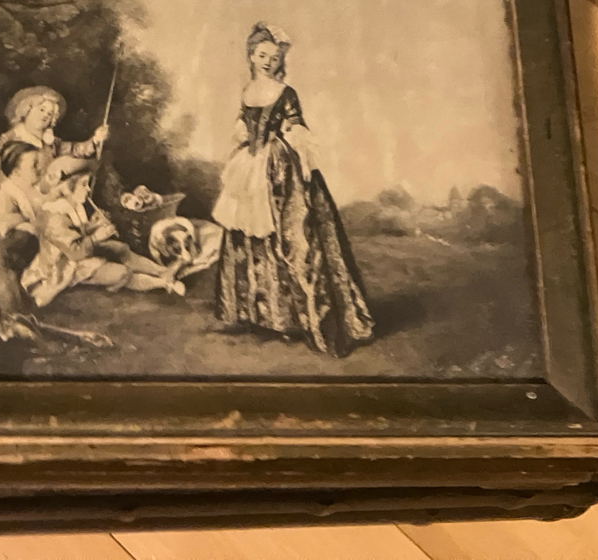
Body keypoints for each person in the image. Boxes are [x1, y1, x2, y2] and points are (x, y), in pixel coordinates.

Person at [211, 23, 374, 357]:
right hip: (250, 166)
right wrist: (242, 138)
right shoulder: (247, 91)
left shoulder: (285, 92)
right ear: (251, 56)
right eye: (262, 56)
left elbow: (296, 125)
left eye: (274, 58)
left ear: (280, 61)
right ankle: (259, 315)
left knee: (292, 240)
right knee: (250, 240)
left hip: (279, 169)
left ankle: (294, 320)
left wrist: (298, 152)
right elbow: (242, 124)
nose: (267, 62)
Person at [20, 157, 183, 307]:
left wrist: (94, 225)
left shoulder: (73, 206)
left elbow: (78, 232)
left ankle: (162, 272)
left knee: (121, 249)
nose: (87, 189)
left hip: (80, 254)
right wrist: (96, 237)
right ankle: (164, 284)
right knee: (122, 273)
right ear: (68, 187)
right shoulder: (54, 215)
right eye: (83, 184)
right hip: (64, 267)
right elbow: (75, 252)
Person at [0, 85, 107, 197]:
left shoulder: (50, 142)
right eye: (42, 110)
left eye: (50, 114)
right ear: (28, 109)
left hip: (45, 196)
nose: (45, 115)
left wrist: (95, 139)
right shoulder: (11, 138)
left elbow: (74, 149)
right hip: (16, 197)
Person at [0, 141, 44, 274]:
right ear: (16, 173)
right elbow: (3, 226)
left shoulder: (32, 186)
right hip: (24, 247)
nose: (39, 168)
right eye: (34, 165)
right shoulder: (6, 196)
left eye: (38, 162)